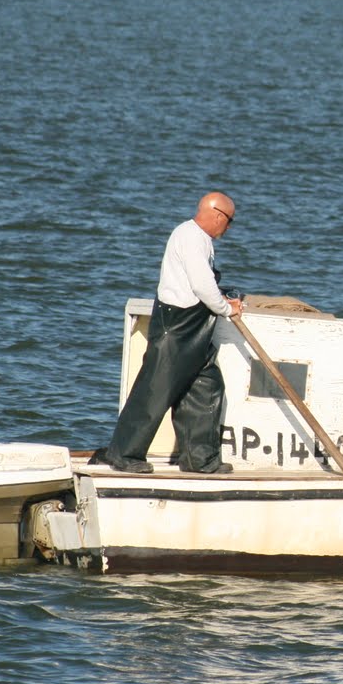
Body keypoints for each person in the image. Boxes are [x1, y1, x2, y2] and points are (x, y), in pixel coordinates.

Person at [93, 192, 245, 474]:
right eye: (230, 221)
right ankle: (124, 454)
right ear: (217, 215)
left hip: (196, 330)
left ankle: (200, 459)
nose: (229, 227)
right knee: (154, 392)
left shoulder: (200, 239)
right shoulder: (189, 237)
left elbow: (202, 285)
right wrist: (227, 309)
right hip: (176, 329)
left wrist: (223, 301)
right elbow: (202, 285)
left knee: (206, 388)